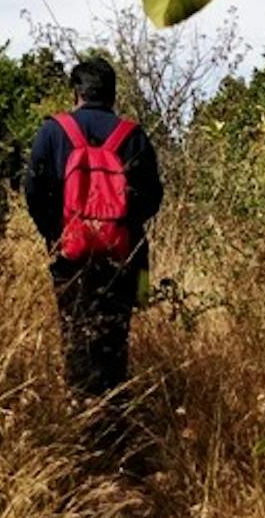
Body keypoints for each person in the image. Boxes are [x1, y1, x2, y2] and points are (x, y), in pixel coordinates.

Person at [23, 55, 162, 435]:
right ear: (114, 94)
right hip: (123, 258)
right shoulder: (132, 135)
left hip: (69, 257)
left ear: (76, 92)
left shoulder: (53, 131)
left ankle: (81, 427)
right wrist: (121, 224)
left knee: (76, 336)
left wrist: (56, 235)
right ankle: (114, 428)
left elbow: (34, 191)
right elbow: (153, 198)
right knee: (114, 341)